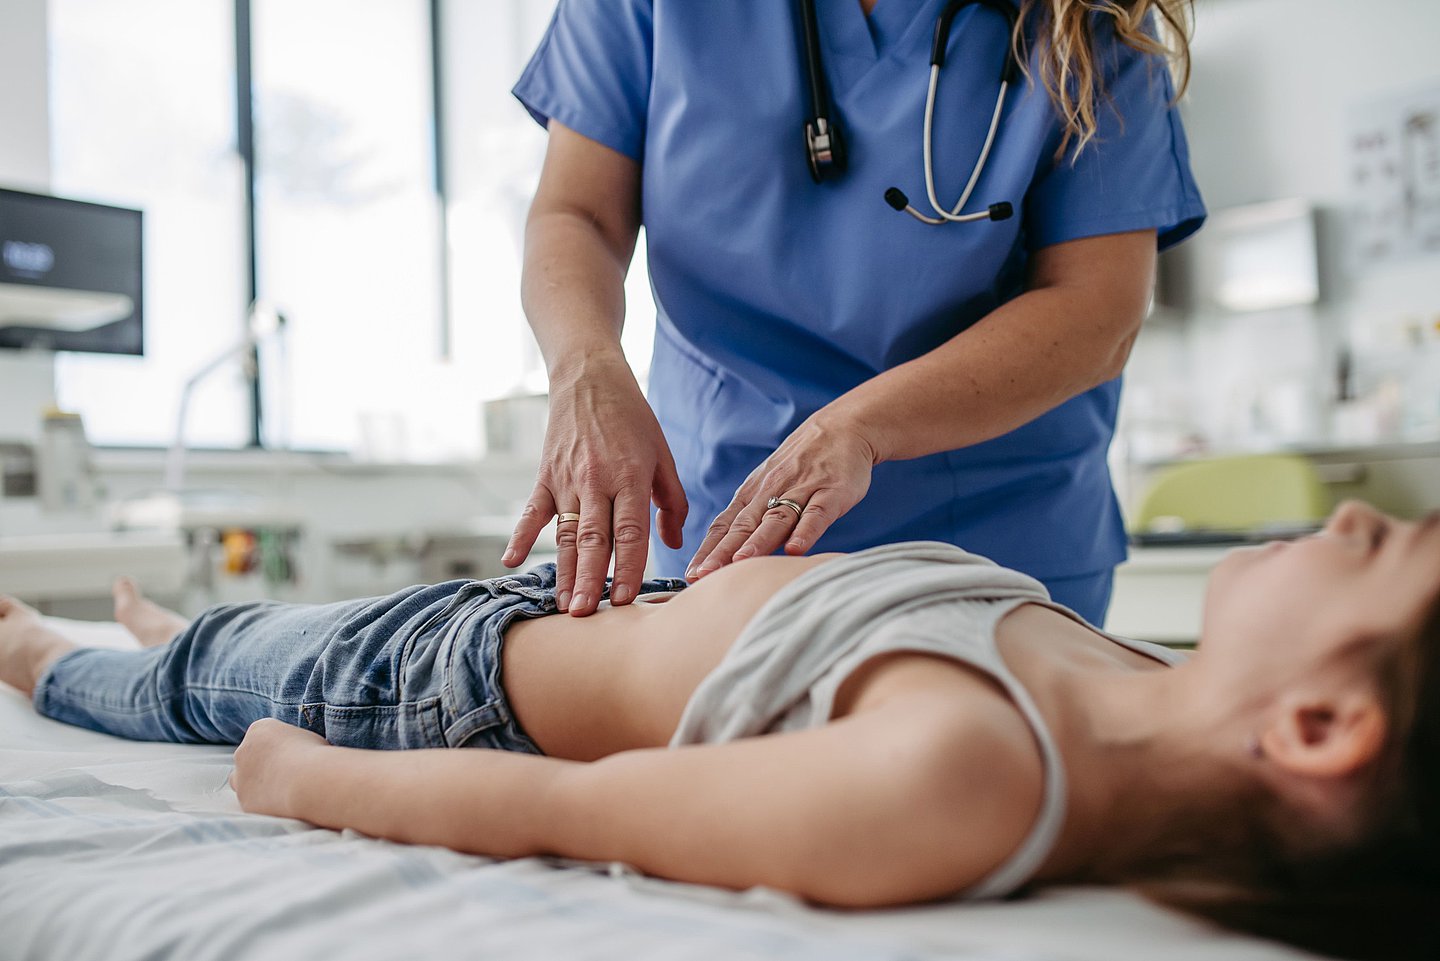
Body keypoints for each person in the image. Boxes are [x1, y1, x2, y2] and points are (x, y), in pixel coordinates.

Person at [0, 499, 1437, 952]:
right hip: (577, 598)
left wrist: (309, 776)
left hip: (446, 680)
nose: (1361, 514)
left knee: (208, 680)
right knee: (234, 641)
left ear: (1316, 724)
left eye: (1388, 550)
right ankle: (168, 633)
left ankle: (43, 650)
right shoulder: (1135, 670)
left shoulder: (960, 771)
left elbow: (577, 811)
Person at [500, 0, 1207, 626]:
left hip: (996, 542)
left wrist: (861, 427)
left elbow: (1097, 309)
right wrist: (584, 370)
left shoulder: (1087, 18)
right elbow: (576, 212)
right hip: (731, 529)